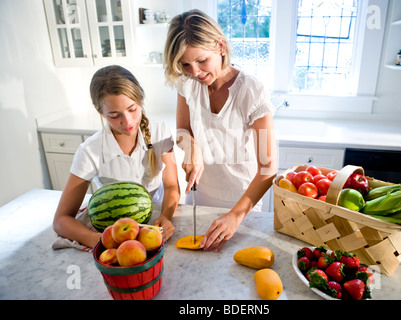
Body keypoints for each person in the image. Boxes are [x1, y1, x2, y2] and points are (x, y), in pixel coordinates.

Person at [163, 9, 277, 252]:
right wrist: (190, 147)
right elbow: (183, 129)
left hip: (243, 202)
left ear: (220, 47)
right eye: (185, 64)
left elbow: (268, 169)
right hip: (201, 197)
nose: (194, 72)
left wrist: (236, 216)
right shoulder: (188, 84)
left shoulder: (252, 91)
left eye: (201, 60)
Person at [53, 65, 180, 249]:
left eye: (132, 109)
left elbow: (171, 186)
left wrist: (166, 216)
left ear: (140, 100)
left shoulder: (160, 132)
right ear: (100, 111)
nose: (127, 122)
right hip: (114, 230)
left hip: (154, 221)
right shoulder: (90, 150)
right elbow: (61, 220)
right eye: (114, 115)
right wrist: (99, 240)